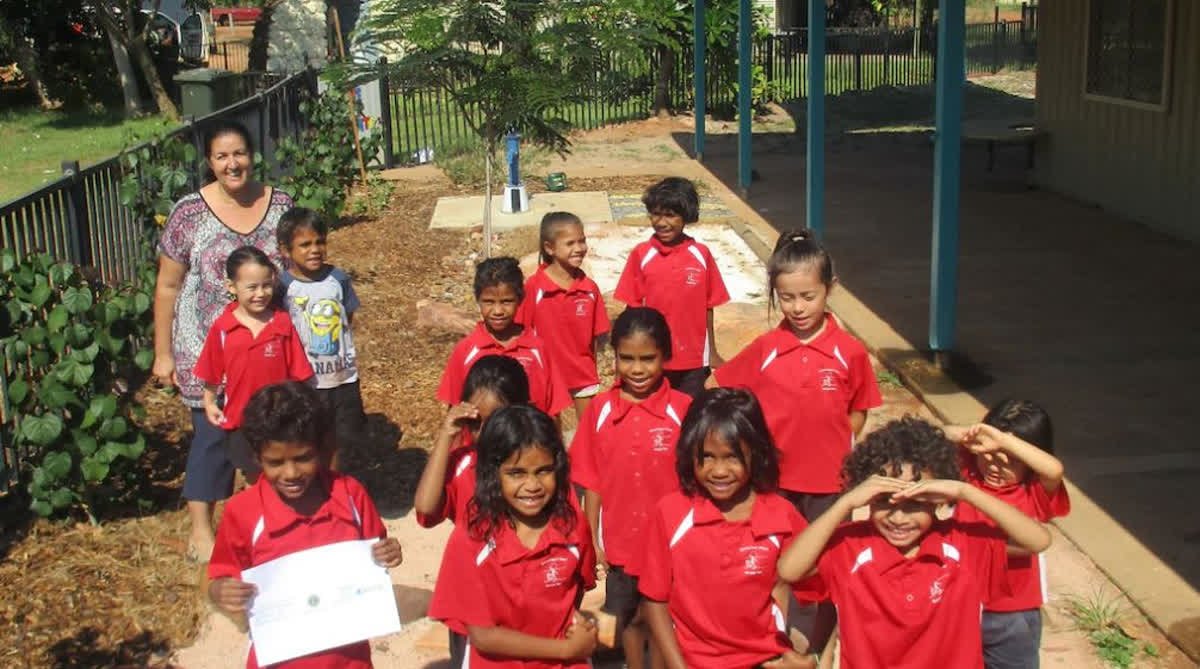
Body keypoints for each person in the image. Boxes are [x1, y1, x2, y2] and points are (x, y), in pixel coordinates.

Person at [776, 417, 1053, 669]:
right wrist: (845, 502)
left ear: (937, 499)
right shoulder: (850, 546)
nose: (899, 518)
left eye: (915, 504)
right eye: (884, 501)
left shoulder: (962, 543)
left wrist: (964, 491)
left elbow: (1038, 540)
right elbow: (790, 570)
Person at [153, 119, 294, 562]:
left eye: (239, 154)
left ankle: (274, 521)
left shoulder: (281, 205)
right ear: (210, 162)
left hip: (269, 345)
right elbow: (168, 286)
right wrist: (162, 353)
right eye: (221, 156)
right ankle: (201, 531)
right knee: (212, 439)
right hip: (208, 349)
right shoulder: (189, 214)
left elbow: (299, 270)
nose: (232, 164)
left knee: (273, 434)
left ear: (252, 155)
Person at [206, 381, 403, 669]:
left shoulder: (349, 495)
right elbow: (220, 575)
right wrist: (221, 591)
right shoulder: (243, 513)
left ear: (322, 449)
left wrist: (389, 552)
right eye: (275, 462)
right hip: (278, 659)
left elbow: (376, 553)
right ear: (256, 457)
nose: (291, 473)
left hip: (350, 660)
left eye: (303, 458)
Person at [638, 388, 820, 669]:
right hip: (693, 662)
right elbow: (655, 598)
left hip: (764, 660)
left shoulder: (782, 517)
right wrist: (677, 665)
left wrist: (815, 655)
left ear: (756, 454)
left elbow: (824, 588)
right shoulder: (671, 513)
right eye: (707, 456)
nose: (719, 471)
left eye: (732, 457)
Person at [710, 229, 882, 520]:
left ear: (831, 287)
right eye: (787, 298)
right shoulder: (766, 349)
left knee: (828, 559)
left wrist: (835, 442)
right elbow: (714, 386)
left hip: (831, 483)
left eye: (808, 296)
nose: (798, 307)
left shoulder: (850, 351)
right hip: (774, 482)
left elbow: (859, 408)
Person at [428, 405, 599, 668]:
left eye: (543, 470)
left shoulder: (573, 530)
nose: (532, 485)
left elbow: (575, 592)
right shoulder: (471, 540)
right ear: (492, 473)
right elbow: (483, 636)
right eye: (516, 473)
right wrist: (565, 649)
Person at [570, 307, 691, 669]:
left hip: (671, 547)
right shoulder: (601, 410)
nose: (637, 369)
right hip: (621, 544)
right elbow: (591, 480)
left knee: (666, 620)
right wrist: (592, 536)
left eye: (648, 359)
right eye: (627, 359)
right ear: (615, 358)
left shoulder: (684, 411)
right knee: (626, 621)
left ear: (666, 357)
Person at [414, 355, 531, 668]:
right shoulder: (464, 463)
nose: (486, 433)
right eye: (476, 424)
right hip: (473, 606)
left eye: (496, 422)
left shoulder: (537, 470)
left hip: (527, 600)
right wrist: (446, 435)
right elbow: (425, 509)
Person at [944, 400, 1070, 669]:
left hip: (1013, 615)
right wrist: (978, 435)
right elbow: (936, 433)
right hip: (959, 605)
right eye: (988, 455)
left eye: (1010, 460)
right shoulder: (969, 472)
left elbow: (1055, 470)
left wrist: (1001, 440)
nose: (994, 466)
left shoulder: (1033, 489)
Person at [193, 246, 313, 481]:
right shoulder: (223, 328)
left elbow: (299, 374)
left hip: (281, 417)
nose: (260, 293)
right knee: (253, 476)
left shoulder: (282, 323)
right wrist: (209, 403)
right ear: (232, 287)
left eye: (266, 285)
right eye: (252, 287)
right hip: (242, 419)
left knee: (282, 473)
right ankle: (257, 514)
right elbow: (212, 372)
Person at [615, 177, 730, 398]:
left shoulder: (701, 255)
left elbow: (708, 307)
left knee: (689, 419)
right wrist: (625, 358)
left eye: (670, 215)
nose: (661, 222)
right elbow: (632, 310)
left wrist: (712, 353)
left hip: (694, 360)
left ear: (686, 216)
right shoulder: (641, 255)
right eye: (656, 214)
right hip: (653, 358)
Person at [277, 207, 365, 468]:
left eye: (320, 242)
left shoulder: (338, 279)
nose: (314, 249)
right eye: (304, 244)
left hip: (342, 377)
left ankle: (333, 488)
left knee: (338, 439)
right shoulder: (283, 287)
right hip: (305, 381)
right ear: (285, 250)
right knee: (307, 438)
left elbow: (347, 317)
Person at [437, 256, 571, 417]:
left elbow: (553, 412)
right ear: (478, 300)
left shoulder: (537, 349)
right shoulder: (465, 351)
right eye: (489, 302)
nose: (498, 311)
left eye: (507, 301)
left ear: (520, 299)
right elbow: (454, 411)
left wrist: (551, 441)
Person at [516, 211, 610, 418]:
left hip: (583, 374)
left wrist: (594, 369)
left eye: (582, 241)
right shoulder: (533, 288)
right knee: (548, 437)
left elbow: (597, 337)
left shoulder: (589, 289)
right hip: (544, 375)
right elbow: (521, 333)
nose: (579, 248)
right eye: (570, 243)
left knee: (589, 433)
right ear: (549, 248)